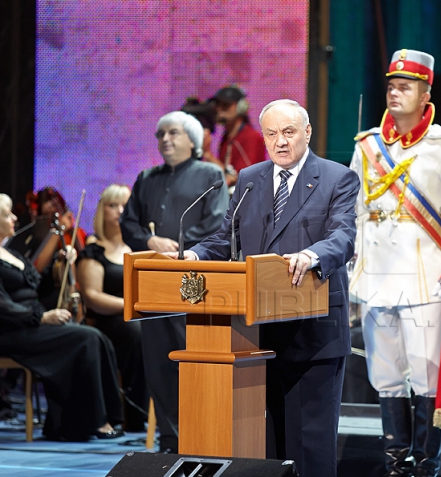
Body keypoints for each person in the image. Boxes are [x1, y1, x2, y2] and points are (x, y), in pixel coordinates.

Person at [177, 99, 360, 476]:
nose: (280, 142)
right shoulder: (250, 179)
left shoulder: (336, 177)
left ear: (307, 133)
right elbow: (226, 238)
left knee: (310, 444)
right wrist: (194, 256)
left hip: (315, 330)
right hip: (257, 336)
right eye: (272, 134)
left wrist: (311, 255)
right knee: (268, 445)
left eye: (289, 132)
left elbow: (343, 238)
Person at [349, 49, 441, 477]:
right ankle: (396, 464)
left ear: (426, 92)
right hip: (377, 275)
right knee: (385, 375)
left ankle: (426, 464)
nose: (395, 92)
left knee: (426, 375)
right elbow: (356, 210)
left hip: (425, 277)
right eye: (392, 85)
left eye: (406, 86)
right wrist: (353, 267)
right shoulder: (367, 145)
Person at [120, 111, 228, 453]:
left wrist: (179, 244)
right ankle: (170, 439)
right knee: (158, 359)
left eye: (174, 133)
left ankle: (200, 435)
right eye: (161, 134)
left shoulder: (211, 174)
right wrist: (152, 243)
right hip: (154, 279)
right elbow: (129, 225)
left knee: (190, 355)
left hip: (194, 279)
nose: (165, 139)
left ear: (193, 141)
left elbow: (217, 225)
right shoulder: (146, 178)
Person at [0, 193, 124, 441]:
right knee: (85, 339)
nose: (14, 217)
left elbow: (38, 286)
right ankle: (86, 422)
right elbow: (3, 307)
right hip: (12, 329)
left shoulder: (10, 253)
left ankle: (108, 417)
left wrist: (61, 260)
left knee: (96, 338)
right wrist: (42, 318)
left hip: (30, 322)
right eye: (7, 213)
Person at [77, 184, 148, 432]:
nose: (119, 211)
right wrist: (133, 306)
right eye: (112, 205)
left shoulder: (140, 249)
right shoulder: (94, 251)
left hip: (137, 317)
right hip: (108, 322)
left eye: (124, 206)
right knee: (136, 332)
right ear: (102, 210)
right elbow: (92, 297)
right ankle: (135, 414)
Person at [210, 85, 266, 190]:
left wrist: (208, 156)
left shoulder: (251, 137)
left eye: (226, 105)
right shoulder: (227, 137)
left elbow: (245, 177)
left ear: (241, 107)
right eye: (217, 104)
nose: (219, 109)